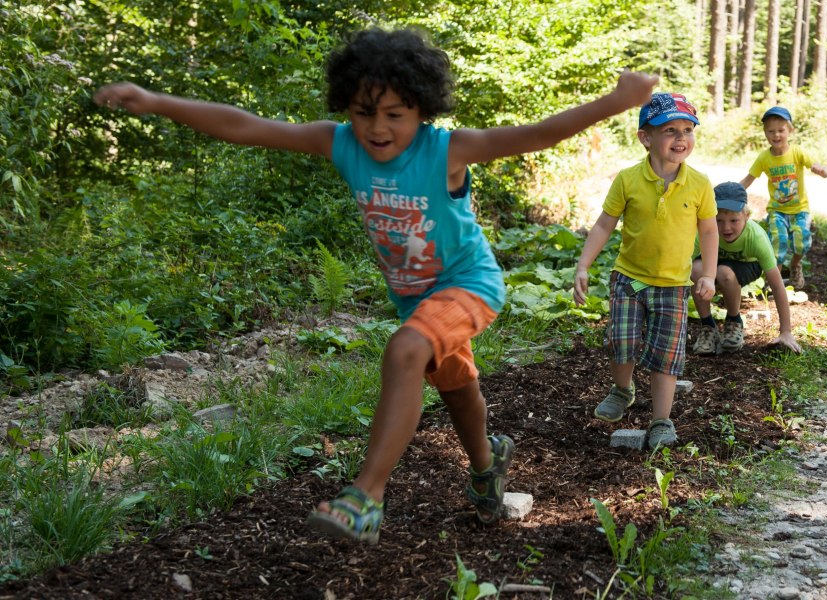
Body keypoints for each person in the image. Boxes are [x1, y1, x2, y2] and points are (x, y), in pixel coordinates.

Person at [94, 27, 658, 542]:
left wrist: (616, 101)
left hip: (470, 284)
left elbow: (537, 134)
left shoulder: (446, 150)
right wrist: (155, 101)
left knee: (406, 350)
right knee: (457, 390)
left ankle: (365, 497)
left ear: (423, 109)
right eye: (365, 113)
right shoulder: (340, 143)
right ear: (347, 108)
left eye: (395, 114)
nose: (378, 128)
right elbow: (245, 127)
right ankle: (488, 471)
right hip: (416, 298)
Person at [573, 92, 718, 450]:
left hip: (673, 286)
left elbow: (709, 230)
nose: (681, 138)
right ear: (645, 138)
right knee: (621, 342)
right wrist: (583, 265)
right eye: (670, 130)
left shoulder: (699, 184)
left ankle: (661, 420)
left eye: (688, 129)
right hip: (629, 279)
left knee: (666, 356)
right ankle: (622, 390)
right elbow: (605, 224)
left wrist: (709, 274)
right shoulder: (627, 179)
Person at [690, 182, 802, 355]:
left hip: (745, 266)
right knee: (694, 270)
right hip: (713, 263)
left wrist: (785, 331)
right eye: (719, 220)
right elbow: (681, 267)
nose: (726, 228)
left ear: (747, 216)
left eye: (734, 220)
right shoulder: (704, 233)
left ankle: (734, 321)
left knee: (724, 273)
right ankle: (708, 327)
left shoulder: (756, 237)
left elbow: (777, 285)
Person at [739, 106, 827, 289]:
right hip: (777, 211)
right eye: (771, 131)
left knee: (801, 242)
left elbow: (816, 165)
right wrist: (732, 192)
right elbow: (749, 179)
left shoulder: (797, 152)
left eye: (781, 130)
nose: (776, 135)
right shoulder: (764, 158)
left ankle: (795, 265)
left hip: (800, 210)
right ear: (765, 133)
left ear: (790, 130)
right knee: (778, 243)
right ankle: (775, 283)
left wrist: (823, 171)